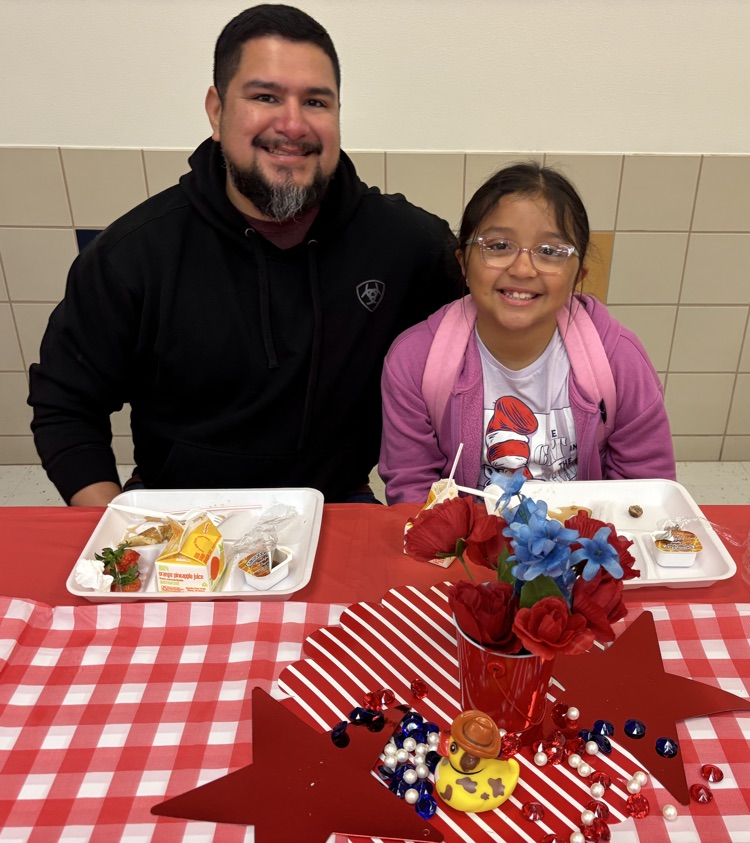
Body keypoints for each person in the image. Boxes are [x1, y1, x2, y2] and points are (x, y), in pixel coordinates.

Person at [28, 4, 460, 506]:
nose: (293, 124)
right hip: (174, 508)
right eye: (265, 97)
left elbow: (485, 343)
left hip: (336, 504)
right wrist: (116, 534)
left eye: (316, 102)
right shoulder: (134, 255)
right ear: (217, 111)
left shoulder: (407, 246)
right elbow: (65, 403)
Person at [380, 163, 676, 504]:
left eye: (550, 252)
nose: (522, 269)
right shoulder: (414, 361)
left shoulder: (619, 359)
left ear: (578, 275)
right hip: (466, 543)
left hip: (580, 540)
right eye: (498, 245)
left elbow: (645, 486)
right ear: (463, 263)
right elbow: (413, 485)